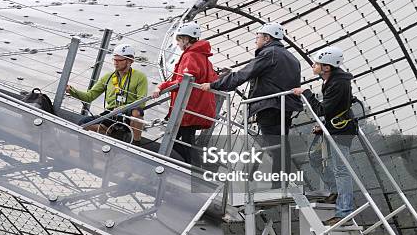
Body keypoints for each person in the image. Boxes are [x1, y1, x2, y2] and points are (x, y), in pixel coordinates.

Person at [201, 22, 302, 188]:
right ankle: (278, 182)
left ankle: (277, 185)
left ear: (267, 38)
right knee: (281, 145)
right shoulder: (292, 58)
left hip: (270, 106)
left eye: (258, 37)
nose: (256, 41)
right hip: (285, 107)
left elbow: (244, 74)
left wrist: (214, 84)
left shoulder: (270, 53)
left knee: (275, 146)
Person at [293, 46, 356, 226]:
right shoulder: (333, 80)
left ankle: (344, 212)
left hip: (341, 131)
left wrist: (306, 94)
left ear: (327, 67)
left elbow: (321, 109)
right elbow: (332, 109)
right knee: (314, 157)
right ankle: (335, 191)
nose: (313, 65)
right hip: (334, 127)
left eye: (317, 63)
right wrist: (325, 125)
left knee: (341, 170)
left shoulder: (338, 83)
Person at [152, 21, 218, 166]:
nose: (177, 44)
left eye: (179, 40)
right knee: (178, 141)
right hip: (198, 108)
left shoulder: (191, 56)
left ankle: (194, 171)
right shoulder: (203, 57)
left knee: (181, 141)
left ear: (186, 40)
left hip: (189, 108)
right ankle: (182, 167)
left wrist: (162, 86)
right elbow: (213, 78)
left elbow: (183, 81)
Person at [66, 44, 148, 144]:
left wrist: (124, 108)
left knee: (137, 111)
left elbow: (142, 102)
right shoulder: (108, 77)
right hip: (111, 113)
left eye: (119, 60)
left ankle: (136, 143)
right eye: (114, 60)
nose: (115, 63)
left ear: (130, 61)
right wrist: (72, 90)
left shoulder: (140, 77)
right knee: (83, 124)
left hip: (128, 113)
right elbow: (89, 97)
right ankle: (108, 133)